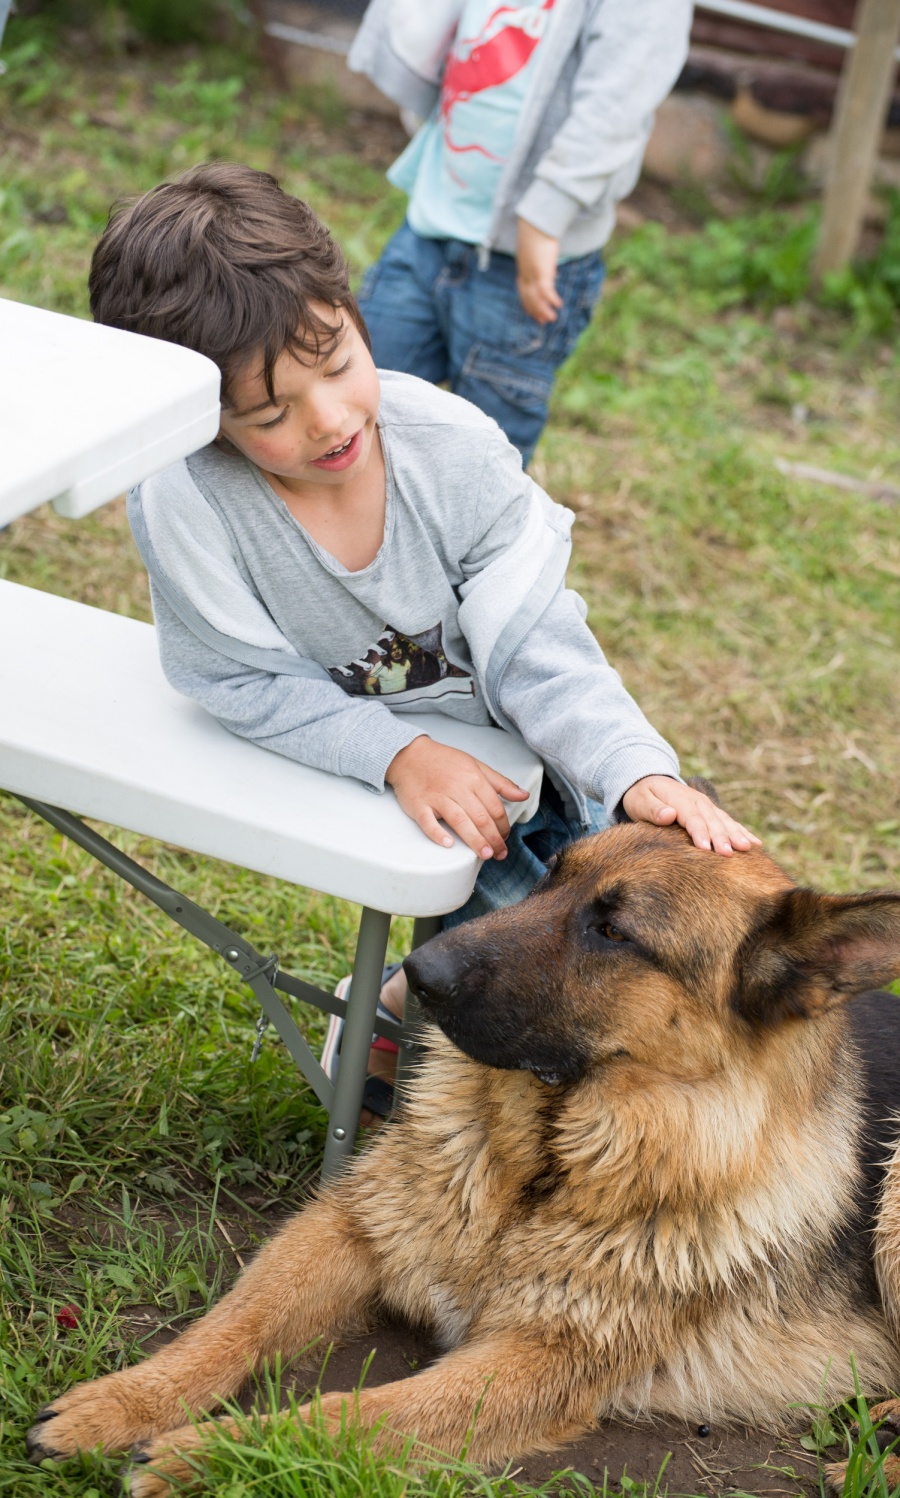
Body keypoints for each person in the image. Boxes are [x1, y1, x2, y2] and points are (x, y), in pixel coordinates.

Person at [89, 163, 757, 1124]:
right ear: (197, 416)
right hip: (385, 753)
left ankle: (452, 1015)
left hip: (521, 732)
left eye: (338, 362)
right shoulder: (188, 498)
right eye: (270, 413)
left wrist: (630, 770)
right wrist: (397, 753)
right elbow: (231, 675)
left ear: (354, 314)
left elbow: (539, 650)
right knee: (505, 923)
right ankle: (411, 1012)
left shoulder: (451, 449)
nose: (330, 419)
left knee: (648, 873)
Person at [348, 0, 693, 461]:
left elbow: (618, 98)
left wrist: (545, 215)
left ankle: (474, 530)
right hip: (431, 227)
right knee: (359, 392)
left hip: (522, 270)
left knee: (482, 450)